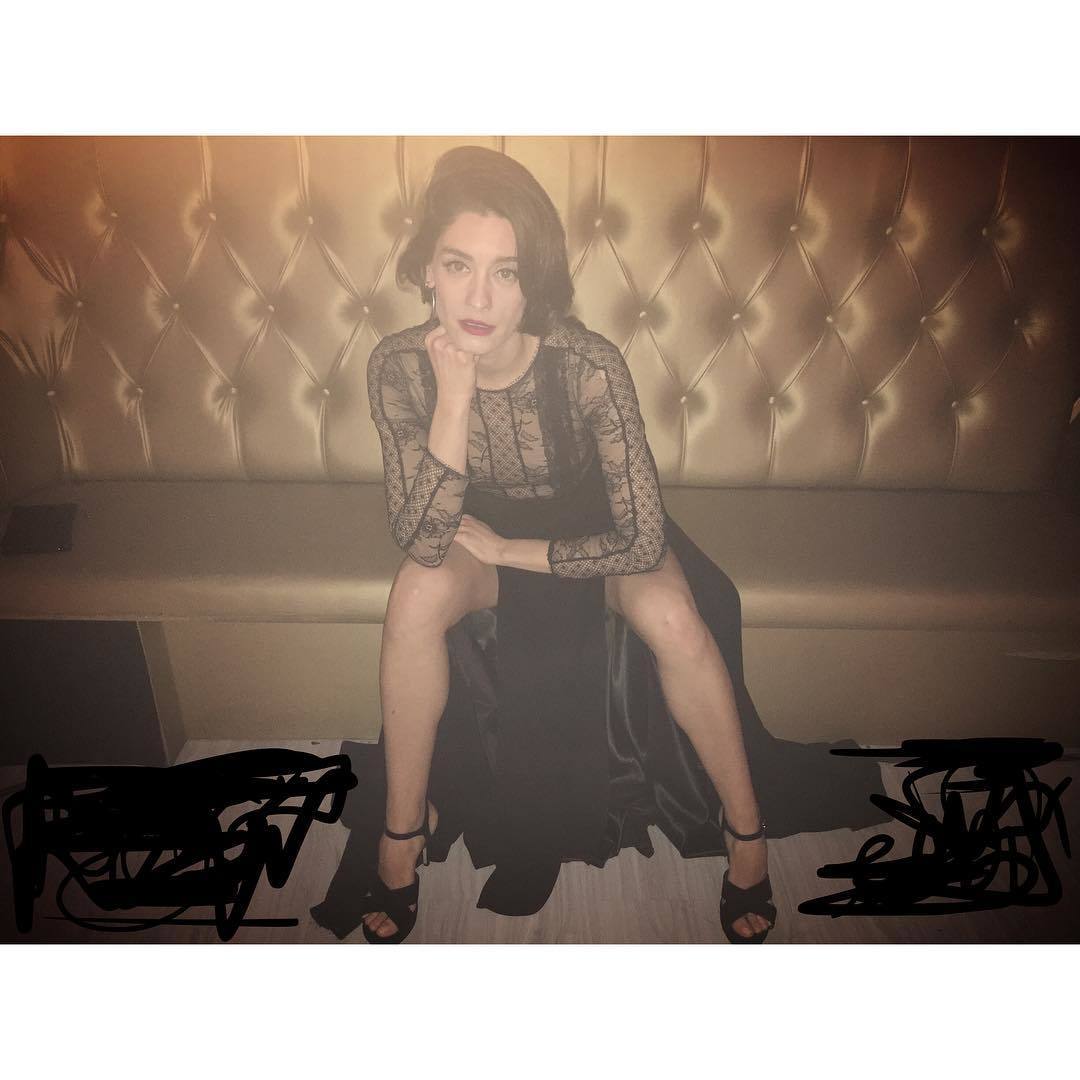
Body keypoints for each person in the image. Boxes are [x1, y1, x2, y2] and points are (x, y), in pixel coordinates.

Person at [349, 145, 888, 945]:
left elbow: (639, 537)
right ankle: (402, 835)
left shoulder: (587, 364)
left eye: (506, 272)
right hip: (472, 522)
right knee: (414, 595)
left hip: (592, 524)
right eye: (459, 265)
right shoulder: (398, 365)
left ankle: (746, 834)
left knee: (674, 618)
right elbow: (425, 538)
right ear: (427, 268)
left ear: (534, 281)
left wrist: (515, 553)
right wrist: (453, 398)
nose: (479, 297)